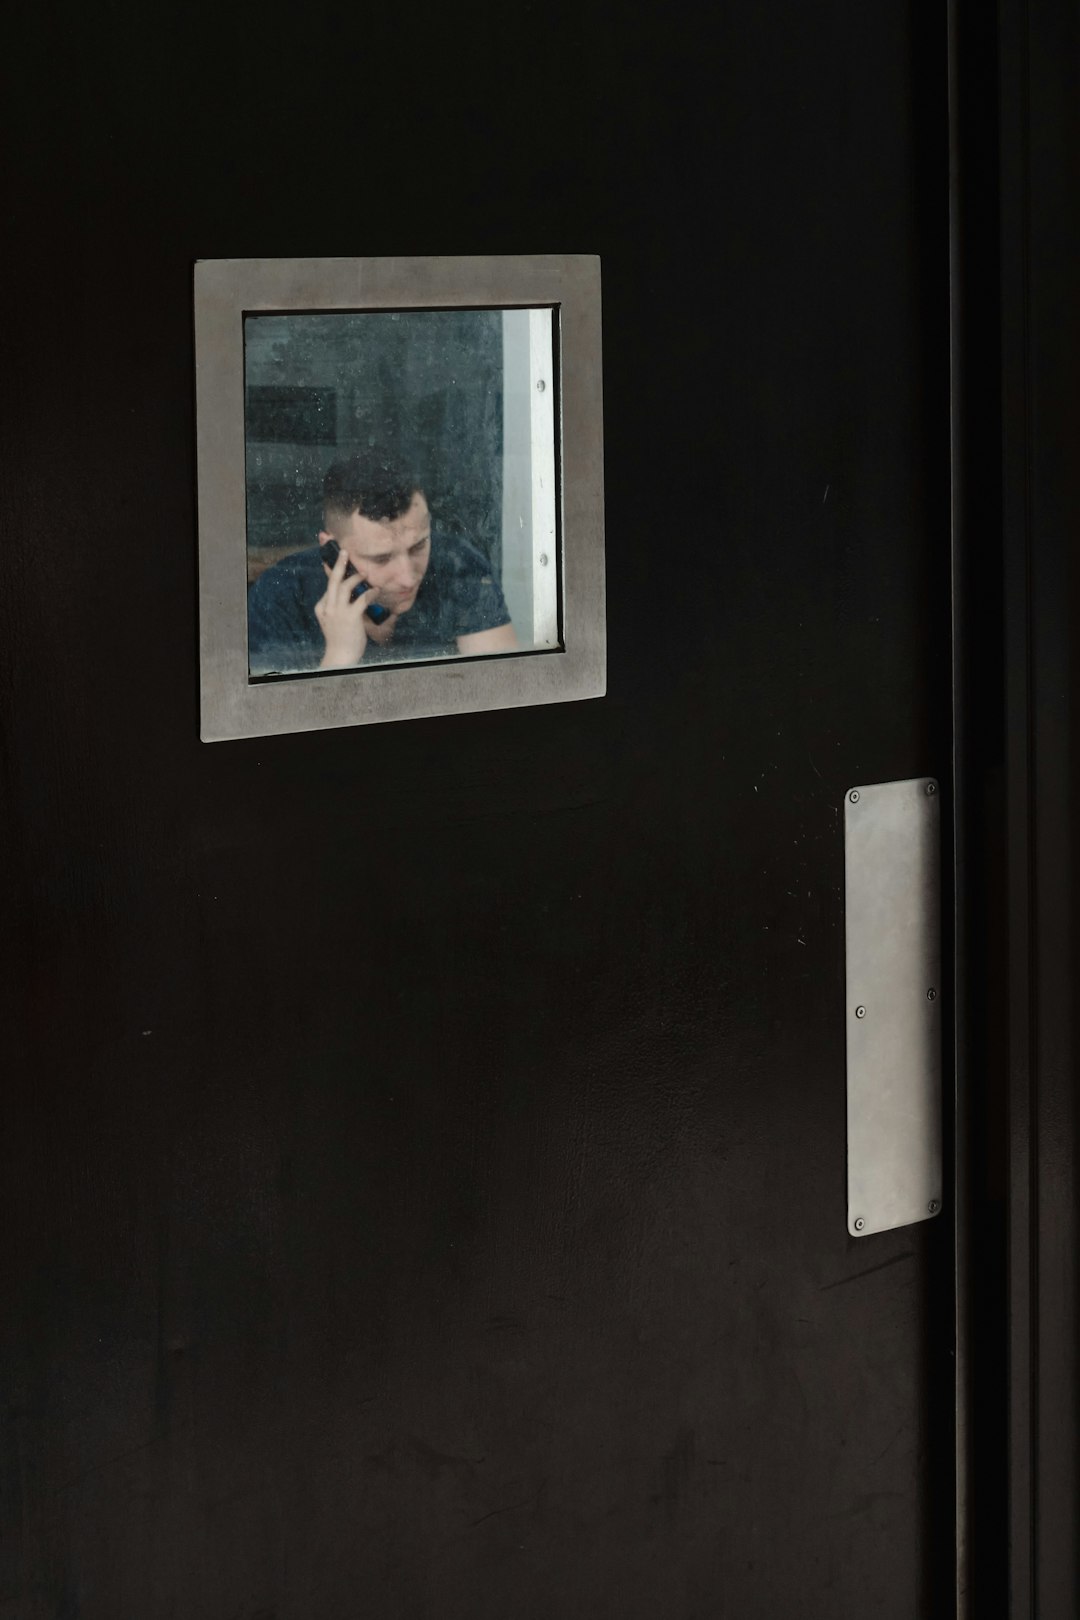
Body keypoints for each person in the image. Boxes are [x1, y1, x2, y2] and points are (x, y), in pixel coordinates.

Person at [247, 452, 519, 675]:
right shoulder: (281, 594)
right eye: (381, 558)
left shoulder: (456, 563)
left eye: (419, 546)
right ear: (330, 549)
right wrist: (340, 656)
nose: (408, 577)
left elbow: (503, 687)